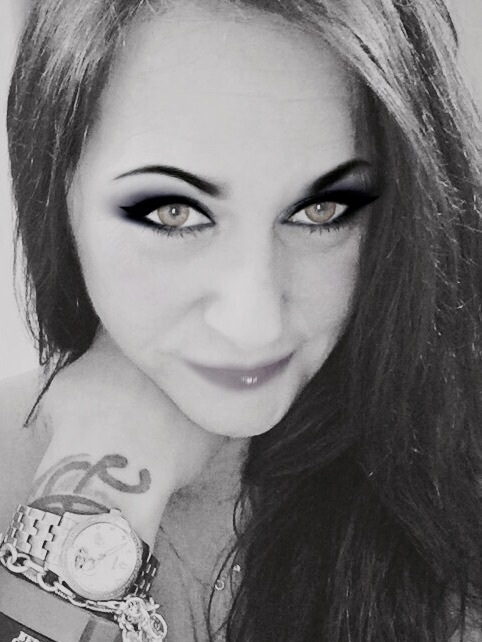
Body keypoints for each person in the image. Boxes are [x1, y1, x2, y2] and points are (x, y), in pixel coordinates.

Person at [0, 0, 481, 640]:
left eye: (322, 211)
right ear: (57, 191)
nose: (253, 324)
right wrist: (93, 504)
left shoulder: (456, 484)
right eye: (174, 212)